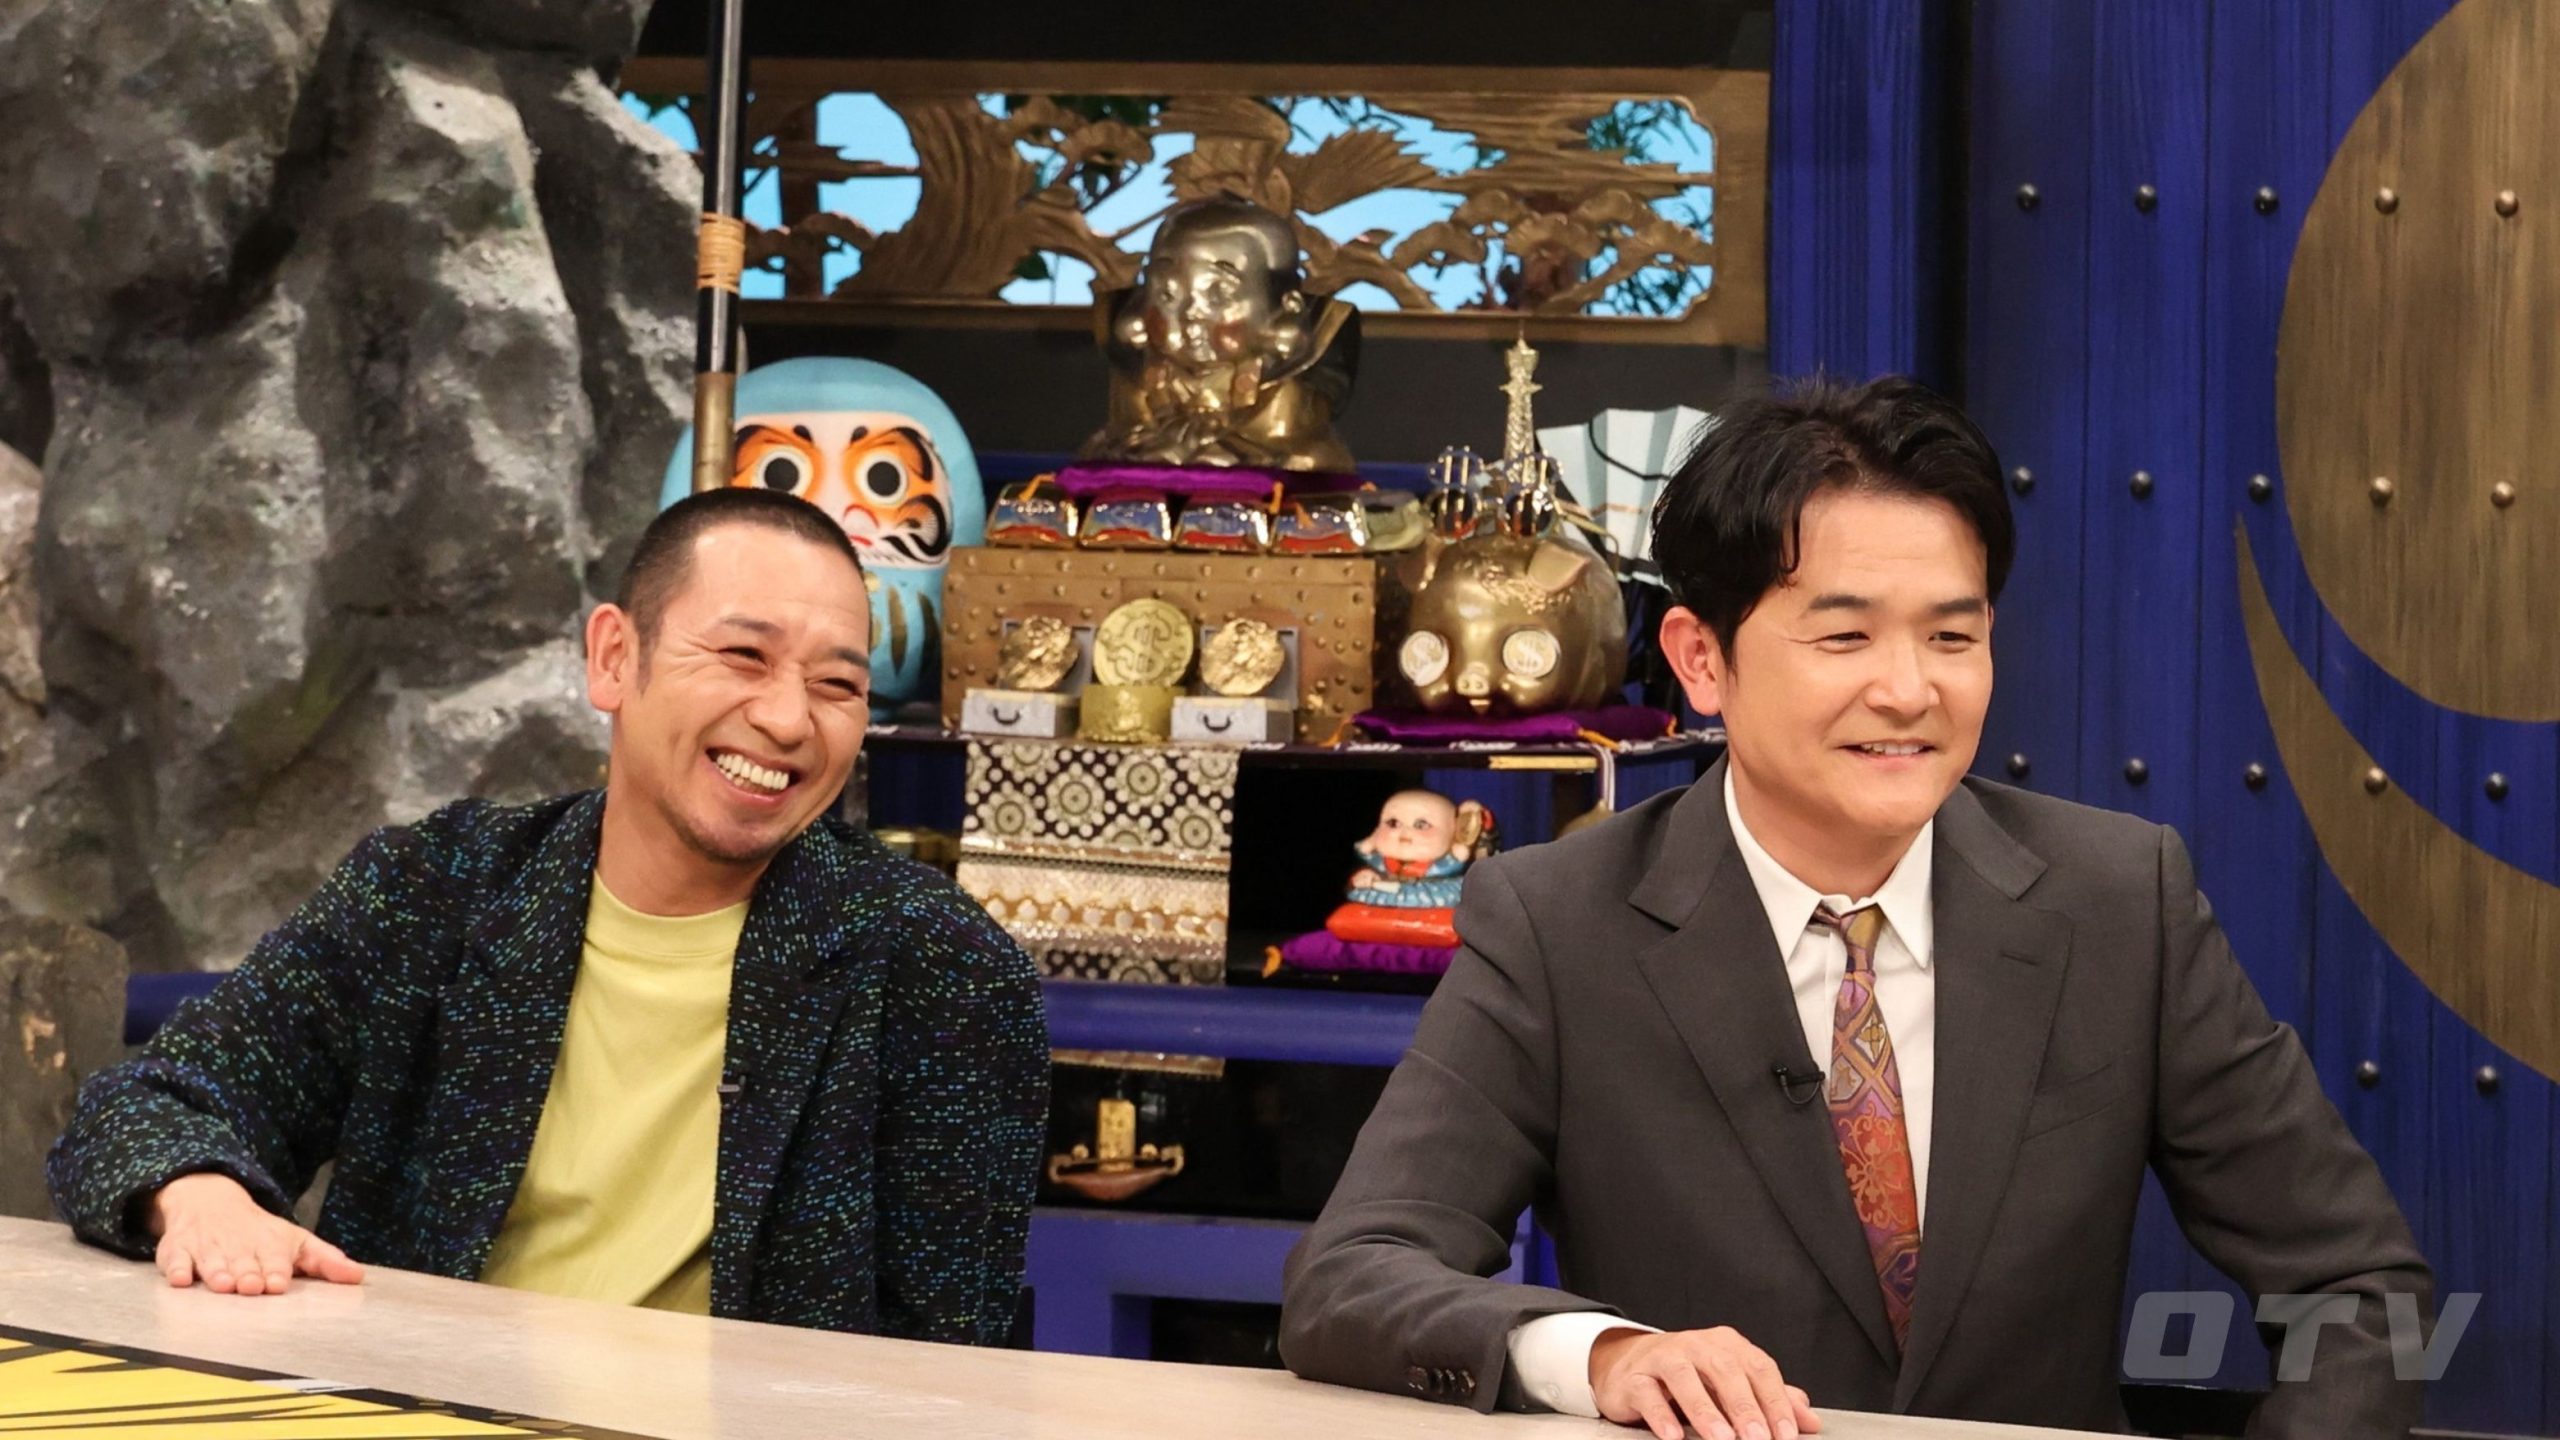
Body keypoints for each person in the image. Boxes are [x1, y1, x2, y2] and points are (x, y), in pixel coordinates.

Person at [1278, 376, 2430, 1436]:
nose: (1908, 689)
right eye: (1844, 635)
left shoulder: (2120, 903)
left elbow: (2360, 1289)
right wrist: (1602, 1355)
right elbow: (1353, 1275)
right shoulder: (1559, 924)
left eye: (1952, 635)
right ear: (1700, 660)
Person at [48, 487, 1048, 1344]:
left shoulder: (940, 970)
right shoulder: (438, 889)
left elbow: (946, 1360)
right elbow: (146, 1104)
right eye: (744, 655)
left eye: (837, 684)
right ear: (613, 657)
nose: (788, 719)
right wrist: (200, 1195)